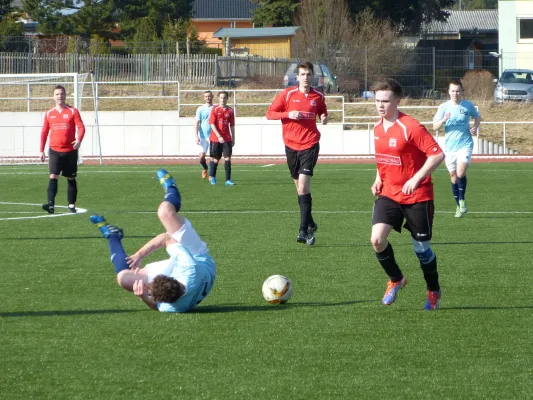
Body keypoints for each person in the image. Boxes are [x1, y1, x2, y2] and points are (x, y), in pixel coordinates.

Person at [90, 169, 216, 312]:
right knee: (165, 213)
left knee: (124, 280)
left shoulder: (171, 307)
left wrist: (144, 296)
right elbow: (165, 238)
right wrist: (140, 255)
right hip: (197, 256)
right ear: (172, 277)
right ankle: (171, 188)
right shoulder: (188, 266)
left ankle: (113, 235)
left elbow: (156, 306)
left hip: (190, 275)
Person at [370, 78, 445, 310]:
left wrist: (416, 178)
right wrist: (378, 177)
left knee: (421, 250)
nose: (381, 106)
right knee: (377, 240)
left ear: (398, 101)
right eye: (377, 101)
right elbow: (383, 158)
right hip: (390, 193)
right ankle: (396, 279)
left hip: (417, 196)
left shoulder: (411, 126)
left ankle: (433, 291)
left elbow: (437, 155)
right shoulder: (377, 127)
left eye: (385, 101)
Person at [266, 61, 328, 246]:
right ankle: (310, 223)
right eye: (302, 74)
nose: (306, 77)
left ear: (313, 76)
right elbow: (270, 114)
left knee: (303, 187)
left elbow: (322, 112)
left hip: (310, 144)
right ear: (297, 77)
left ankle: (302, 230)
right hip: (291, 145)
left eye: (309, 74)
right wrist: (288, 114)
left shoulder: (318, 96)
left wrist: (324, 117)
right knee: (299, 189)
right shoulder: (287, 94)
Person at [433, 80, 480, 218]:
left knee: (460, 172)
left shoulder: (467, 105)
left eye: (458, 91)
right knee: (453, 177)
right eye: (453, 91)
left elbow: (477, 117)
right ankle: (458, 206)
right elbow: (435, 127)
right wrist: (443, 120)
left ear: (461, 92)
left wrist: (475, 127)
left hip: (465, 144)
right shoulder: (443, 107)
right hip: (450, 147)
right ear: (448, 92)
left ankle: (462, 200)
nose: (455, 93)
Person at [39, 84, 86, 214]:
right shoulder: (49, 113)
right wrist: (41, 150)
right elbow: (44, 132)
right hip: (54, 151)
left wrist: (79, 139)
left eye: (62, 94)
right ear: (53, 97)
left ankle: (71, 206)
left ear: (65, 95)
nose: (60, 96)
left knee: (70, 178)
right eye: (57, 94)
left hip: (70, 151)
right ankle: (50, 205)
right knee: (53, 176)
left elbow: (81, 127)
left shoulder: (72, 111)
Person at [208, 91, 236, 186]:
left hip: (227, 138)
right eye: (221, 98)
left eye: (224, 97)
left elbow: (232, 125)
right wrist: (219, 136)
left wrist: (233, 138)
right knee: (216, 159)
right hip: (216, 139)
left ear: (227, 98)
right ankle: (213, 177)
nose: (222, 99)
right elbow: (212, 124)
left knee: (227, 158)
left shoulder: (230, 111)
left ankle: (228, 180)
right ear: (218, 98)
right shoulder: (215, 109)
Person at [194, 90, 214, 179]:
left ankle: (211, 175)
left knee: (213, 157)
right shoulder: (200, 109)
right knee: (201, 157)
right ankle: (205, 168)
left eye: (209, 96)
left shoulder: (215, 108)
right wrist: (196, 136)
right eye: (206, 96)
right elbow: (197, 123)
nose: (208, 98)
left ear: (212, 97)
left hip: (213, 137)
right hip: (203, 137)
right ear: (204, 97)